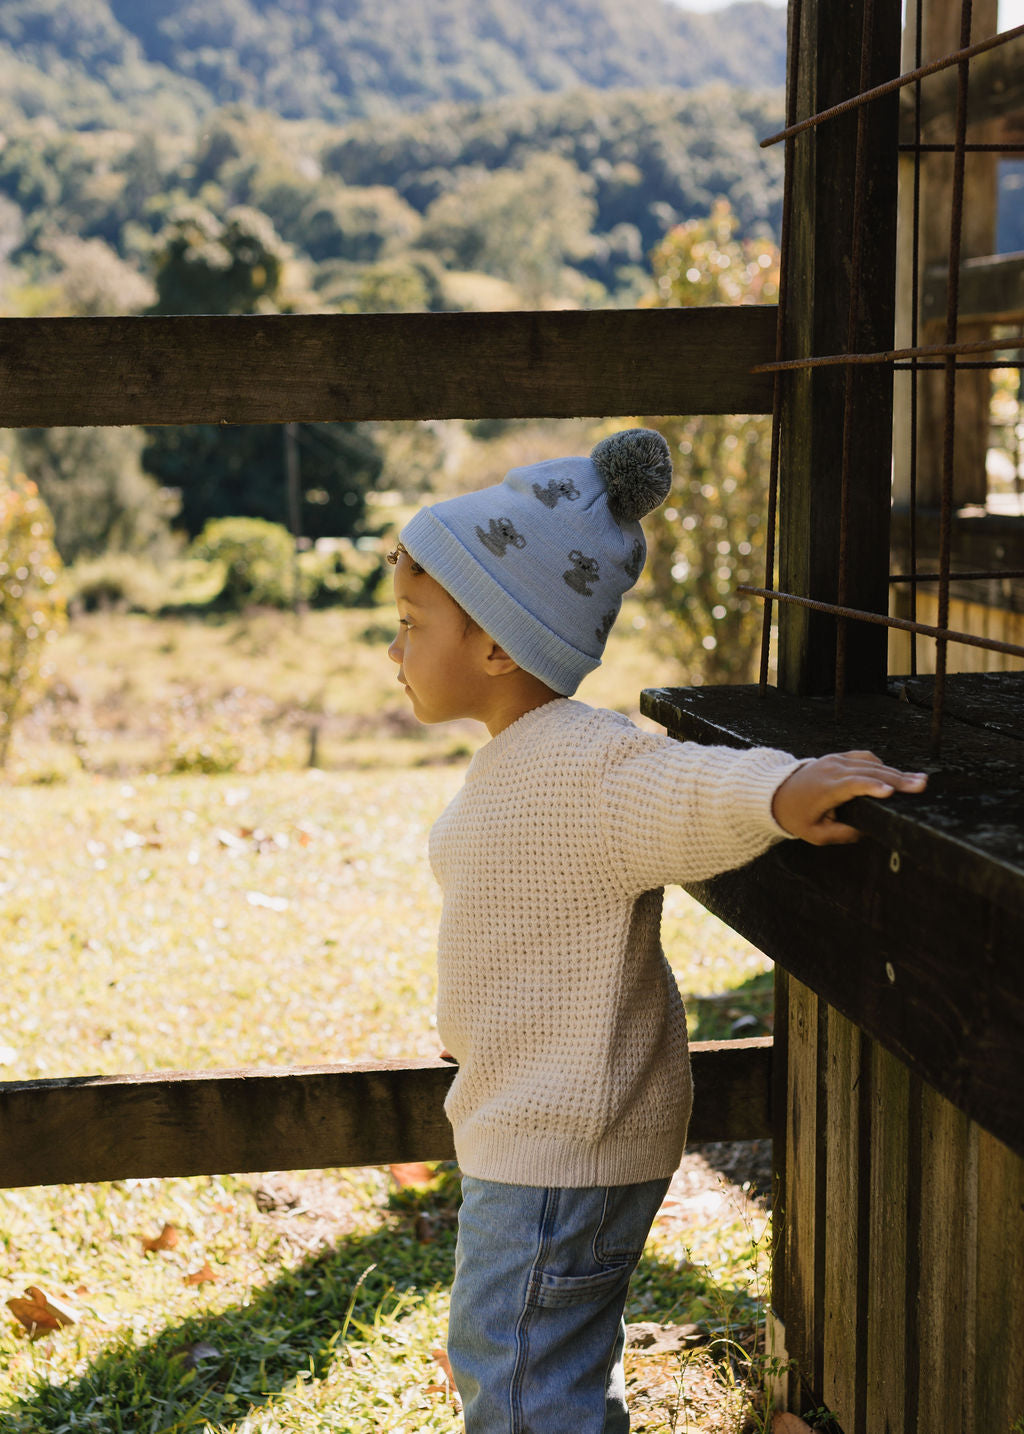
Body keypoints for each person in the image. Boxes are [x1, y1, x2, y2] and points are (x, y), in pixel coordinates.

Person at [385, 428, 926, 1434]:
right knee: (539, 1366)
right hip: (538, 1123)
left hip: (559, 1145)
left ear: (498, 643)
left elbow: (682, 788)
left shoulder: (580, 764)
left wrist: (780, 788)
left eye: (415, 622)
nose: (394, 646)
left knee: (513, 1383)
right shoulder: (523, 760)